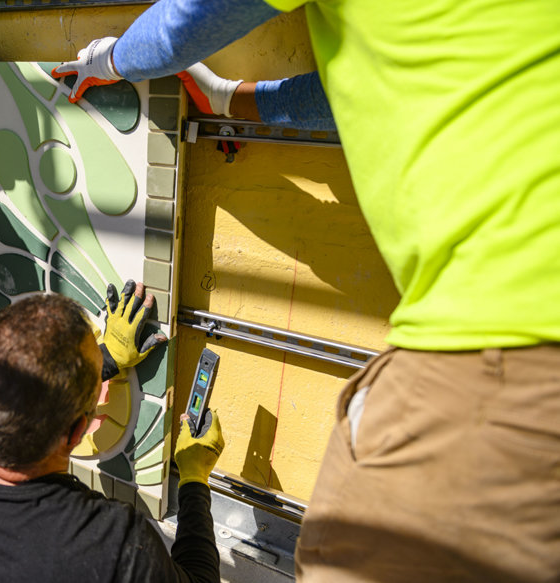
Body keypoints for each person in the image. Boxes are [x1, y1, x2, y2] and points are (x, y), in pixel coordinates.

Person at [53, 0, 560, 582]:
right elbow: (362, 95)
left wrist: (107, 60)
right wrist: (226, 102)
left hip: (501, 354)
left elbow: (182, 26)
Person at [0, 281, 226, 583]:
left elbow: (15, 392)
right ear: (78, 430)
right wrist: (194, 477)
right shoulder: (108, 546)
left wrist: (105, 360)